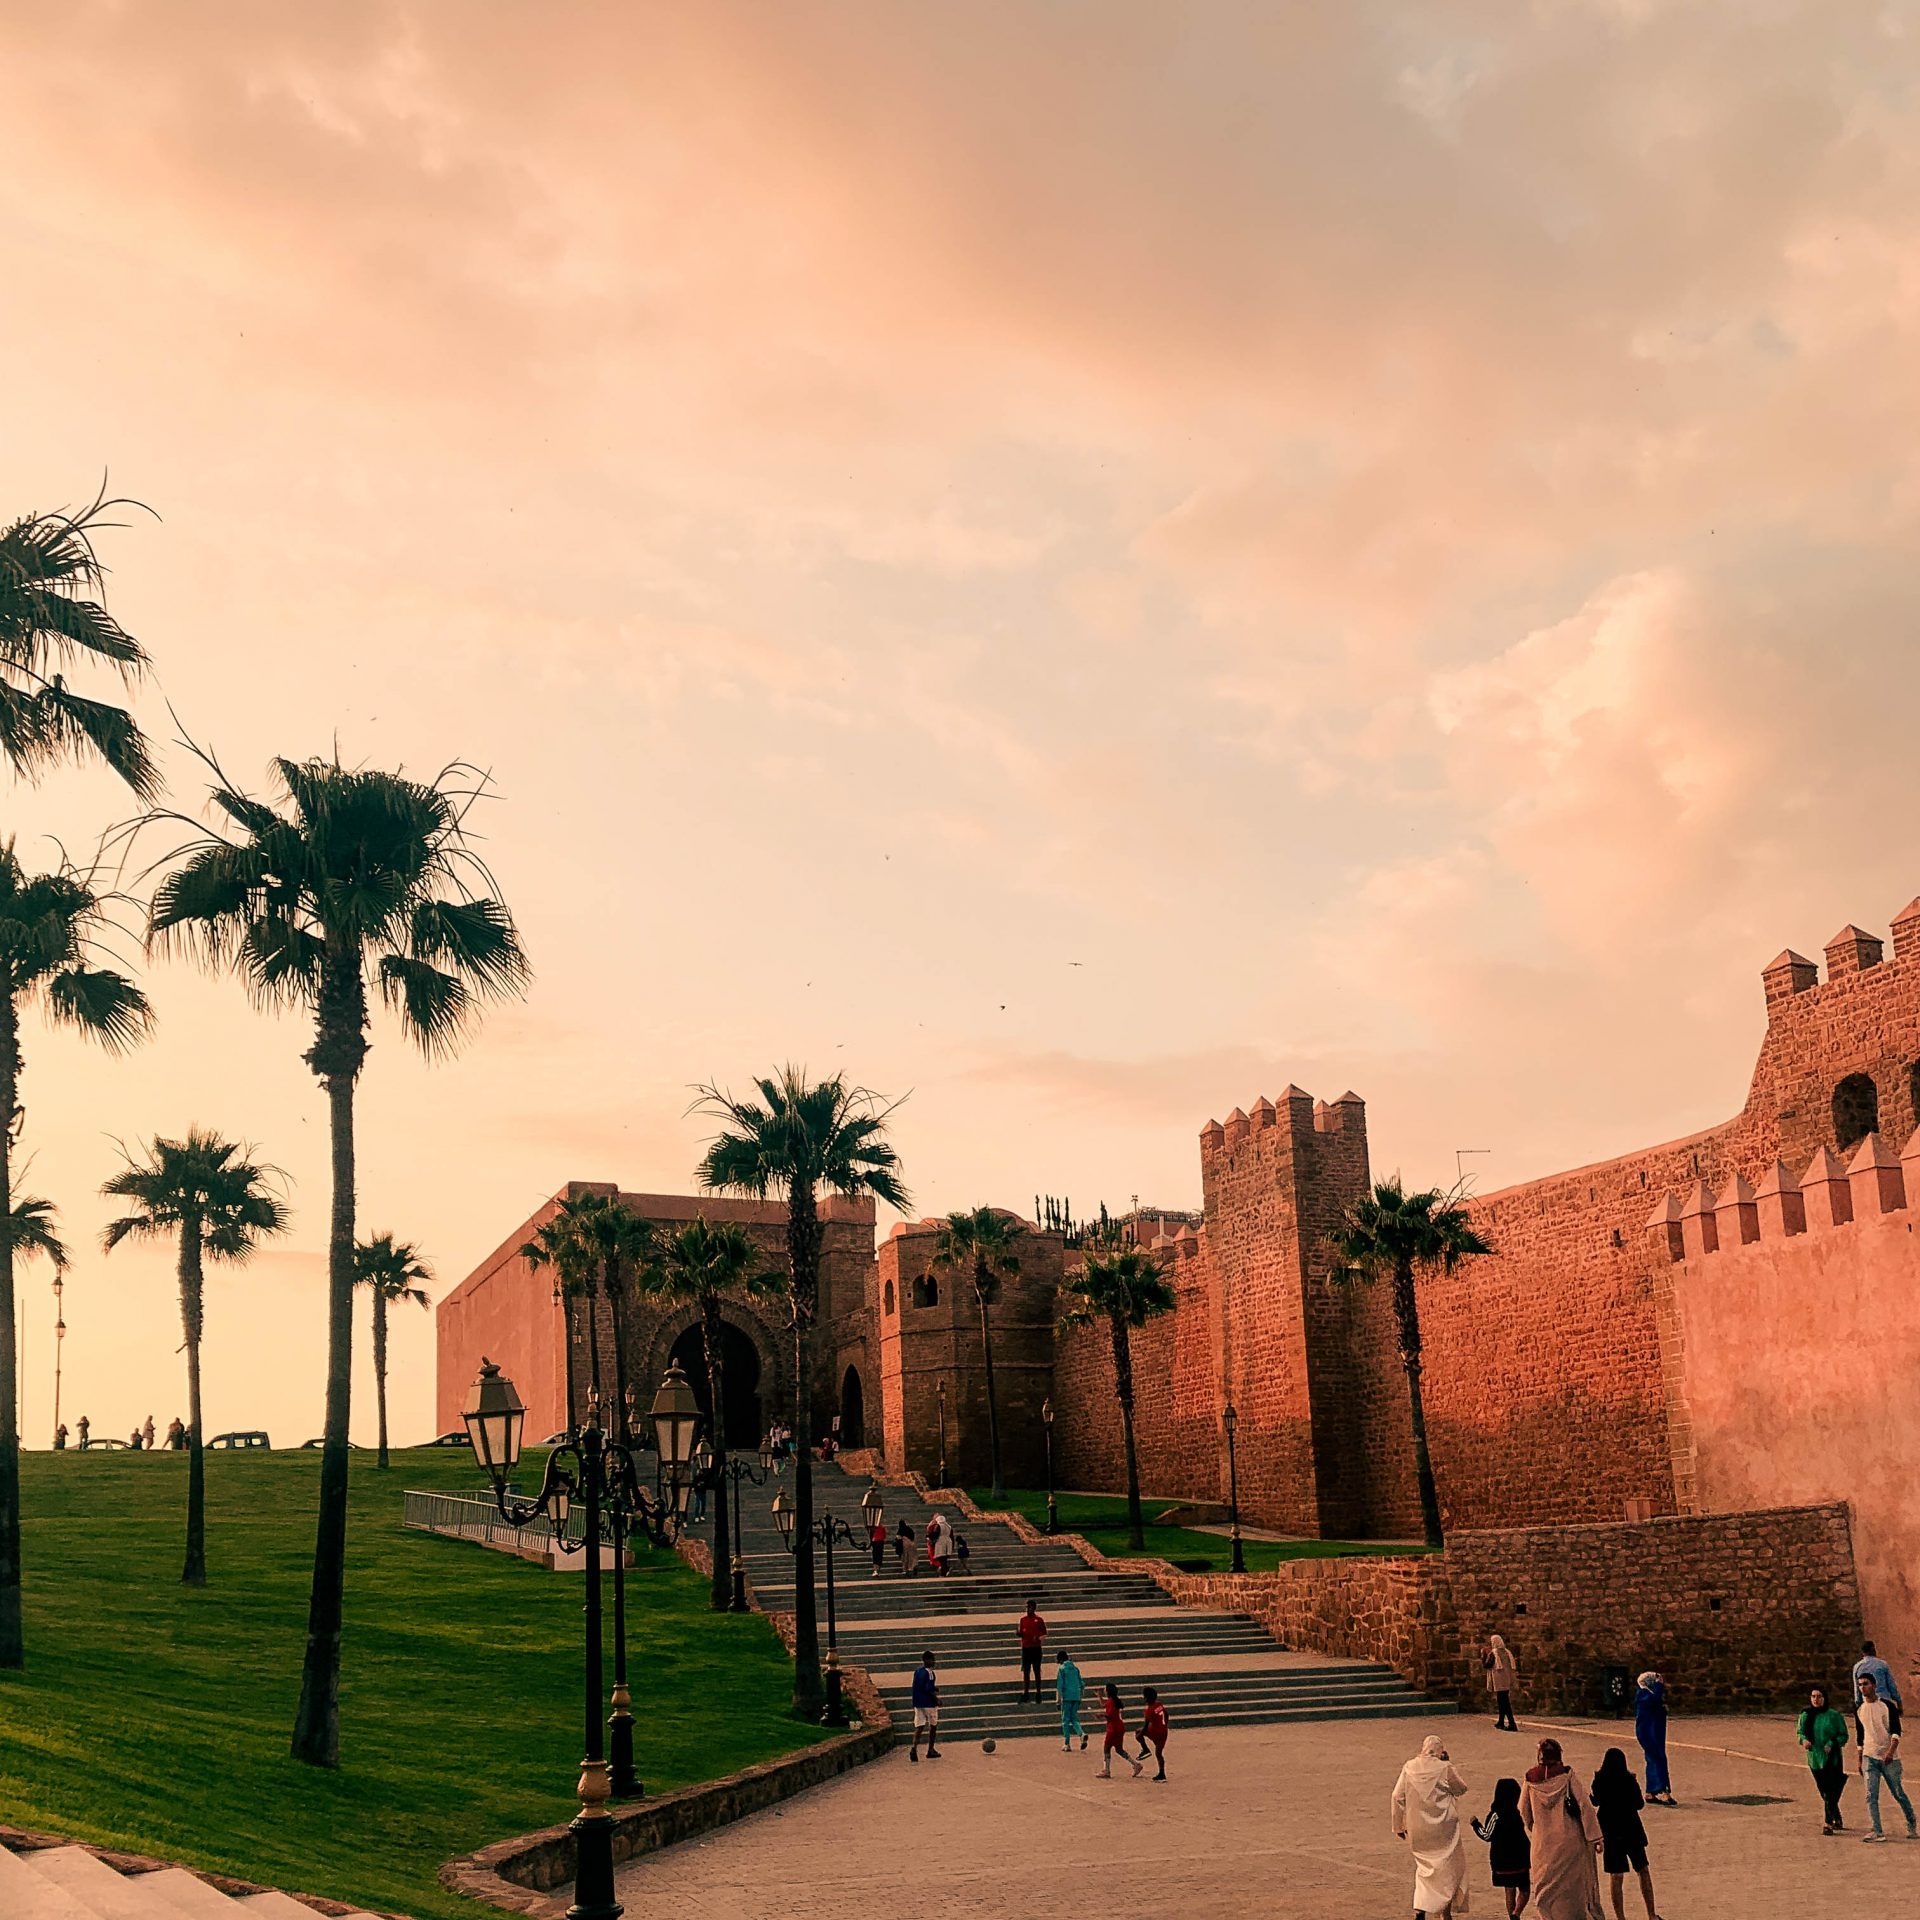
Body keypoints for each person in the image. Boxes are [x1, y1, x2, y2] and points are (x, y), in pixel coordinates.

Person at [1520, 1737, 1603, 1920]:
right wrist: (1595, 1837)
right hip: (1570, 1840)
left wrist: (1535, 1827)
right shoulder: (1567, 1776)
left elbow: (1523, 1809)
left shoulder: (1530, 1779)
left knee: (1544, 1886)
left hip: (1543, 1844)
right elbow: (1584, 1805)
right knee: (1572, 1888)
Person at [1392, 1732, 1470, 1918]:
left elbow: (1397, 1796)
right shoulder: (1444, 1768)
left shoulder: (1409, 1767)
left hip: (1418, 1829)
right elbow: (1461, 1788)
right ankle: (1445, 1912)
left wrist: (1398, 1826)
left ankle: (1420, 1908)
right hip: (1444, 1829)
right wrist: (1448, 1763)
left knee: (1424, 1870)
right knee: (1448, 1870)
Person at [1590, 1748, 1660, 1920]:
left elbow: (1596, 1801)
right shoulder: (1629, 1780)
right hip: (1631, 1830)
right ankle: (1651, 1914)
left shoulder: (1600, 1780)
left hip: (1610, 1832)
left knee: (1616, 1876)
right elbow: (1639, 1804)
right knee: (1643, 1870)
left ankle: (1620, 1917)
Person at [1857, 1671, 1917, 1842]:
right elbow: (1860, 1735)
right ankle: (1877, 1830)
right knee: (1870, 1795)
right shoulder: (1859, 1708)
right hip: (1870, 1756)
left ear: (1874, 1685)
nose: (1863, 1688)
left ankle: (1911, 1822)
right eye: (1860, 1685)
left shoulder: (1887, 1706)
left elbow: (1896, 1731)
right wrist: (1860, 1758)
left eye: (1866, 1684)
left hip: (1889, 1758)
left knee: (1898, 1792)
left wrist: (1890, 1752)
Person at [1473, 1776, 1532, 1919]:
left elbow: (1487, 1835)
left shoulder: (1496, 1815)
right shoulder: (1519, 1811)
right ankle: (1517, 1913)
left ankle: (1512, 1915)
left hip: (1502, 1859)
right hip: (1521, 1857)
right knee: (1524, 1889)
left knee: (1509, 1890)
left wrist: (1475, 1824)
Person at [1797, 1684, 1851, 1834]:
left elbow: (1843, 1735)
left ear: (1824, 1698)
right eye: (1813, 1696)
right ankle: (1836, 1817)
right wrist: (1804, 1740)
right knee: (1824, 1791)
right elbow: (1800, 1732)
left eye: (1819, 1696)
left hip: (1831, 1758)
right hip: (1815, 1758)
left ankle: (1828, 1823)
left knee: (1830, 1790)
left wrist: (1832, 1743)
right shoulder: (1805, 1715)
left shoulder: (1834, 1715)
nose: (1816, 1699)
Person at [1634, 1673, 1673, 1805]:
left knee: (1654, 1759)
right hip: (1650, 1734)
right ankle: (1661, 1790)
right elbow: (1654, 1699)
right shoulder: (1643, 1695)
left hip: (1653, 1733)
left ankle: (1652, 1792)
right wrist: (1659, 1685)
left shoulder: (1646, 1695)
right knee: (1657, 1759)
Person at [1098, 1683, 1142, 1779]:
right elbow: (1103, 1704)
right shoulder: (1114, 1700)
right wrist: (1099, 1696)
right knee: (1119, 1749)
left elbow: (1110, 1714)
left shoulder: (1110, 1702)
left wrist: (1101, 1715)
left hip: (1113, 1728)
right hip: (1119, 1727)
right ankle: (1135, 1764)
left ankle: (1107, 1770)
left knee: (1107, 1748)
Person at [909, 1650, 940, 1762]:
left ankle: (914, 1748)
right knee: (933, 1725)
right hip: (928, 1703)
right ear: (926, 1660)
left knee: (919, 1726)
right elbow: (928, 1689)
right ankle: (930, 1749)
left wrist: (934, 1688)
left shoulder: (917, 1672)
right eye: (932, 1659)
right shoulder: (930, 1673)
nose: (934, 1662)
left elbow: (919, 1686)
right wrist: (936, 1699)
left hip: (918, 1703)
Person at [1855, 1640, 1903, 1714]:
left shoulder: (1857, 1667)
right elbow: (1891, 1686)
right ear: (1873, 1649)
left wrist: (1858, 1704)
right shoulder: (1882, 1665)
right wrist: (1899, 1702)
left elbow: (1857, 1689)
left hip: (1867, 1703)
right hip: (1884, 1701)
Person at [1484, 1633, 1519, 1731]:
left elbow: (1487, 1665)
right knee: (1503, 1701)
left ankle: (1512, 1723)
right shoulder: (1507, 1652)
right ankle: (1501, 1722)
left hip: (1498, 1681)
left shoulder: (1494, 1653)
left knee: (1504, 1703)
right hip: (1506, 1680)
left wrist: (1484, 1655)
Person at [1136, 1686, 1169, 1782]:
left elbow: (1145, 1727)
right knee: (1159, 1754)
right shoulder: (1159, 1704)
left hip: (1155, 1731)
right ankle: (1162, 1773)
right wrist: (1165, 1724)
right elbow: (1167, 1714)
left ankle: (1145, 1749)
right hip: (1163, 1732)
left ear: (1146, 1698)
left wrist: (1139, 1736)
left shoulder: (1149, 1711)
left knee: (1138, 1732)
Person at [1017, 1598, 1048, 1702]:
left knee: (1037, 1671)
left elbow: (1044, 1633)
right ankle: (1026, 1693)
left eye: (1029, 1607)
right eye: (1027, 1607)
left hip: (1036, 1648)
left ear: (1034, 1608)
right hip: (1026, 1648)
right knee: (1026, 1671)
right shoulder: (1023, 1620)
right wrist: (1019, 1634)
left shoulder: (1039, 1620)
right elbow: (1021, 1631)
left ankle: (1038, 1693)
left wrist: (1038, 1638)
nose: (1028, 1609)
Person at [1057, 1651, 1086, 1751]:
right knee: (1074, 1718)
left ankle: (1067, 1743)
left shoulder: (1062, 1669)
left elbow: (1059, 1686)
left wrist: (1058, 1700)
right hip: (1076, 1696)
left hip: (1067, 1697)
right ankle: (1081, 1734)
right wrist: (1080, 1695)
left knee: (1065, 1720)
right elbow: (1082, 1684)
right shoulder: (1075, 1669)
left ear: (1060, 1660)